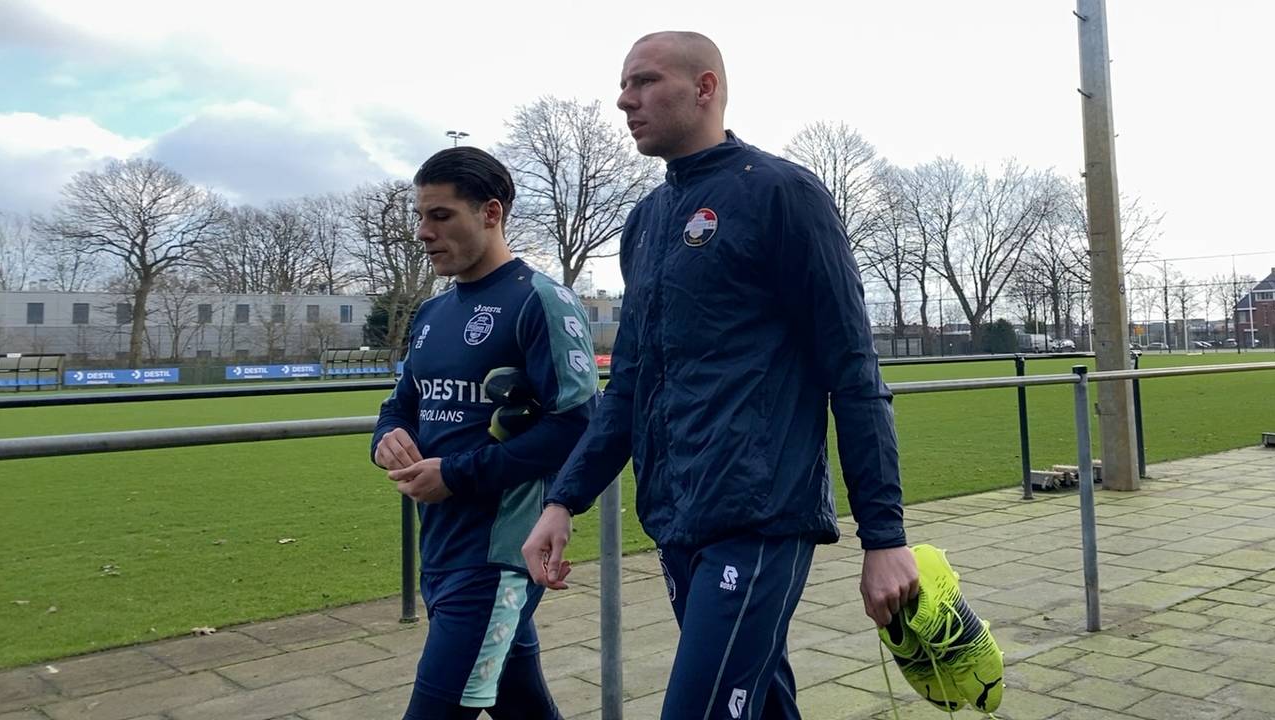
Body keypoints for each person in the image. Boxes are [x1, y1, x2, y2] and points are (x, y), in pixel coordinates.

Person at [521, 31, 918, 719]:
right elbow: (633, 386)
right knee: (759, 703)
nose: (624, 100)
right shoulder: (645, 222)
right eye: (624, 84)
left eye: (644, 81)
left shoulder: (783, 195)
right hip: (676, 518)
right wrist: (564, 500)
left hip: (761, 516)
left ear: (704, 88)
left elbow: (853, 372)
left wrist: (883, 538)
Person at [372, 146, 598, 719]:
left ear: (491, 212)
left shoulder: (539, 300)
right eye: (419, 216)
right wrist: (386, 438)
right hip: (442, 548)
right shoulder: (432, 313)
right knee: (522, 706)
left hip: (498, 559)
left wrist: (454, 474)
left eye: (441, 216)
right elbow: (402, 405)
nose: (423, 232)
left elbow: (576, 427)